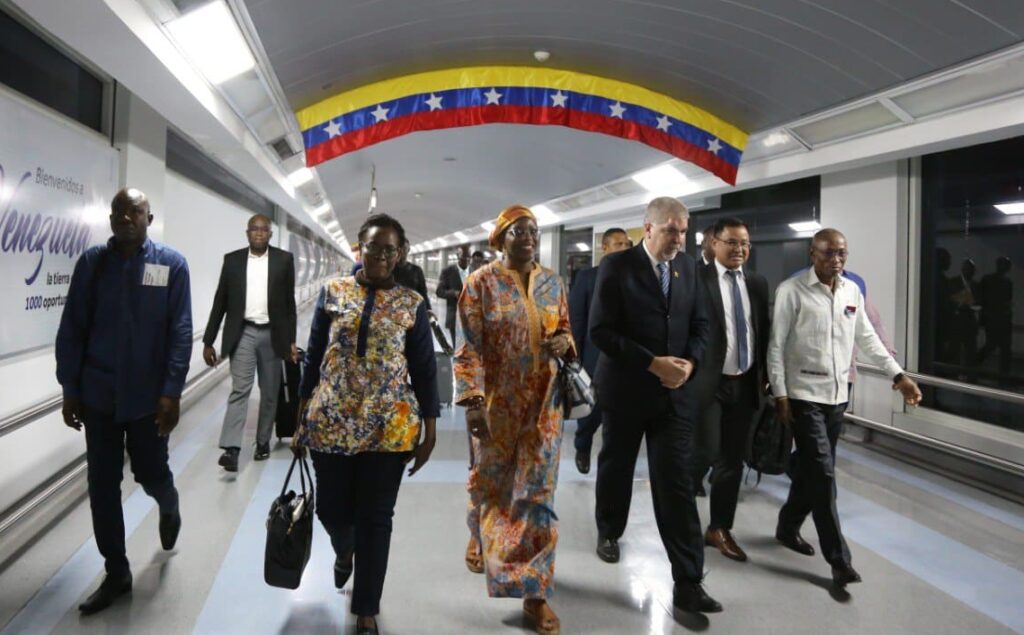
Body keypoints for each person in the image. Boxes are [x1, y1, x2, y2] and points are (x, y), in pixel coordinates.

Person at [293, 213, 439, 635]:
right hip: (331, 423)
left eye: (388, 249)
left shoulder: (411, 304)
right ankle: (344, 548)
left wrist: (429, 428)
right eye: (372, 246)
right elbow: (314, 353)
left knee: (377, 518)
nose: (378, 255)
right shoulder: (333, 291)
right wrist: (299, 415)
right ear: (359, 247)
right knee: (332, 510)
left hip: (389, 429)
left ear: (400, 254)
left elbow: (425, 370)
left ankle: (367, 609)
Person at [55, 188, 191, 614]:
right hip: (98, 395)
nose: (126, 217)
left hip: (148, 399)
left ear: (149, 218)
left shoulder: (171, 265)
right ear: (111, 218)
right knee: (102, 485)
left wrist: (171, 391)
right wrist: (70, 387)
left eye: (135, 211)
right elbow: (73, 328)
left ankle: (169, 506)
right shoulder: (92, 265)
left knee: (151, 474)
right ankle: (117, 571)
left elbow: (180, 331)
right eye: (119, 211)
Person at [768, 228, 922, 588]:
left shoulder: (852, 291)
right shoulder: (792, 291)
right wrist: (781, 395)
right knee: (824, 475)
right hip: (804, 395)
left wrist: (898, 376)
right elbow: (776, 346)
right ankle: (839, 560)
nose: (836, 261)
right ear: (812, 253)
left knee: (812, 471)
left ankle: (788, 526)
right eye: (828, 254)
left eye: (841, 254)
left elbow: (866, 337)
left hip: (838, 397)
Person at [589, 196, 719, 613]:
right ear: (647, 229)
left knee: (677, 483)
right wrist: (651, 363)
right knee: (617, 465)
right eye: (670, 230)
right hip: (627, 391)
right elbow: (601, 332)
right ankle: (609, 530)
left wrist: (690, 364)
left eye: (683, 231)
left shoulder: (689, 271)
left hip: (672, 396)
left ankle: (688, 581)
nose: (678, 238)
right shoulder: (617, 267)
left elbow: (701, 325)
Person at [455, 204, 574, 635]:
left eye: (534, 230)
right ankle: (480, 532)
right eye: (518, 230)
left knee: (537, 495)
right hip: (496, 405)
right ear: (500, 238)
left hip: (544, 405)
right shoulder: (480, 284)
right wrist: (471, 401)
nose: (528, 237)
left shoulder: (552, 283)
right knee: (490, 482)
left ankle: (534, 594)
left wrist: (565, 340)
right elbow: (466, 348)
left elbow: (565, 328)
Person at [690, 218, 770, 562]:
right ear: (714, 244)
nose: (739, 249)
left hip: (746, 382)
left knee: (732, 461)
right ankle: (679, 512)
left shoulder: (757, 282)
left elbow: (761, 330)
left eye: (745, 244)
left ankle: (719, 527)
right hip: (708, 383)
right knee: (704, 452)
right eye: (732, 243)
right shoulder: (697, 279)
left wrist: (766, 377)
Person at [202, 214, 298, 471]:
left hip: (272, 335)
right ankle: (232, 448)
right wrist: (208, 340)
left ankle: (263, 441)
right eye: (254, 229)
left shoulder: (283, 260)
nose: (258, 233)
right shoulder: (232, 261)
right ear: (247, 233)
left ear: (270, 234)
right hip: (242, 333)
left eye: (263, 229)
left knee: (269, 393)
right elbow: (220, 302)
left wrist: (291, 341)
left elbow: (290, 305)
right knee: (240, 390)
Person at [567, 227, 630, 473]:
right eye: (618, 244)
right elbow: (577, 321)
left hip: (626, 359)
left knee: (619, 416)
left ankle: (612, 460)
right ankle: (583, 445)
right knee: (592, 412)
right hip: (594, 359)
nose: (624, 248)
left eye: (626, 244)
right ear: (604, 247)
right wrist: (576, 362)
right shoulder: (587, 278)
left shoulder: (637, 278)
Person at [978, 257, 1013, 374]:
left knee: (1003, 348)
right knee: (994, 345)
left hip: (1000, 319)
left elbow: (1007, 301)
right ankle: (974, 364)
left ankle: (1003, 376)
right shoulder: (990, 280)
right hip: (994, 318)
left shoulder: (1006, 282)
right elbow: (982, 299)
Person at [436, 245, 471, 344]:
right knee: (457, 347)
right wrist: (453, 293)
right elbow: (439, 291)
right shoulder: (448, 272)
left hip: (473, 319)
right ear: (457, 257)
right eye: (463, 258)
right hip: (455, 318)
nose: (466, 260)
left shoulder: (476, 272)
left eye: (468, 258)